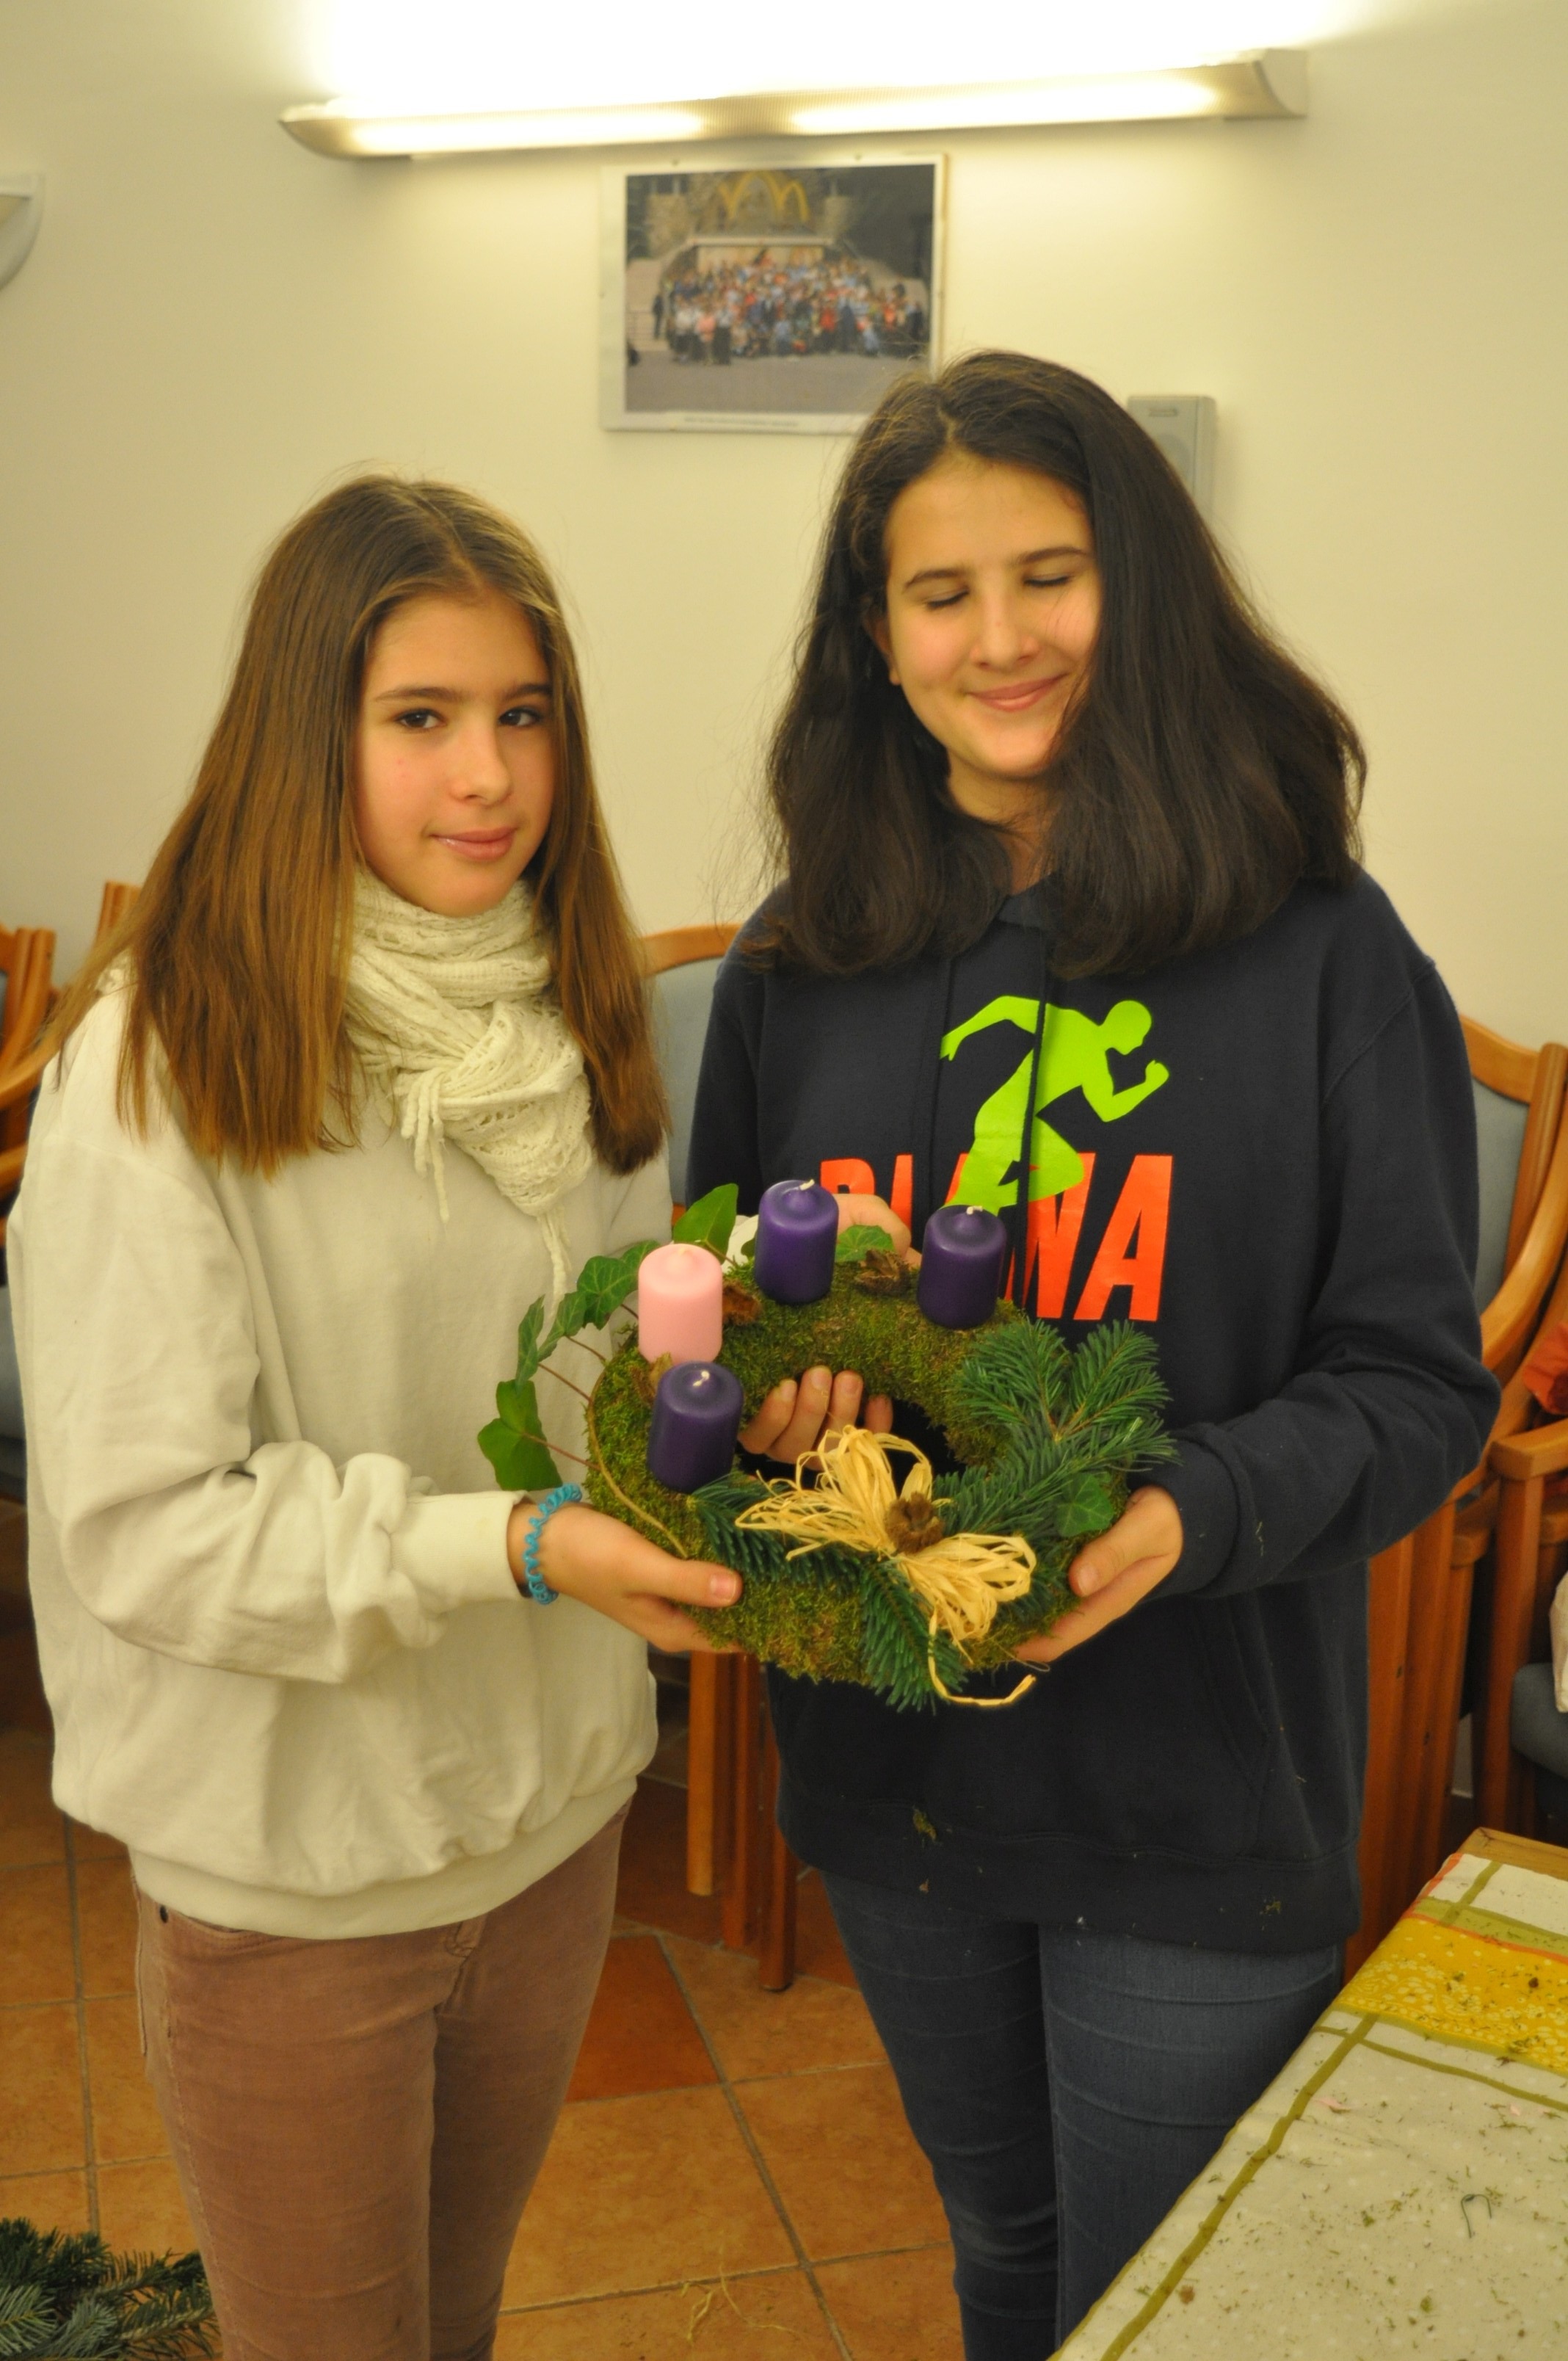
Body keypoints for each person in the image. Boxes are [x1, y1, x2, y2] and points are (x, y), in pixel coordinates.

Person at [688, 351, 1498, 2359]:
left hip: (1202, 1782)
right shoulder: (803, 957)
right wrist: (774, 1408)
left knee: (1160, 2316)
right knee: (1004, 2262)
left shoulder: (1321, 948)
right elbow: (726, 1310)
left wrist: (1184, 1511)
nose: (1001, 639)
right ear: (874, 635)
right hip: (896, 1775)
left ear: (1139, 583)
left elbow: (1416, 1387)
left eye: (1049, 575)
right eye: (940, 592)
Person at [9, 475, 748, 2361]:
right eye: (420, 718)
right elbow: (148, 1528)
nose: (487, 776)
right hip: (293, 1887)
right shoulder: (161, 1060)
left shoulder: (571, 1018)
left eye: (523, 714)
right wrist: (516, 1545)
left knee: (458, 2325)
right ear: (303, 731)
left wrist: (729, 1417)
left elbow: (597, 1378)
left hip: (549, 1828)